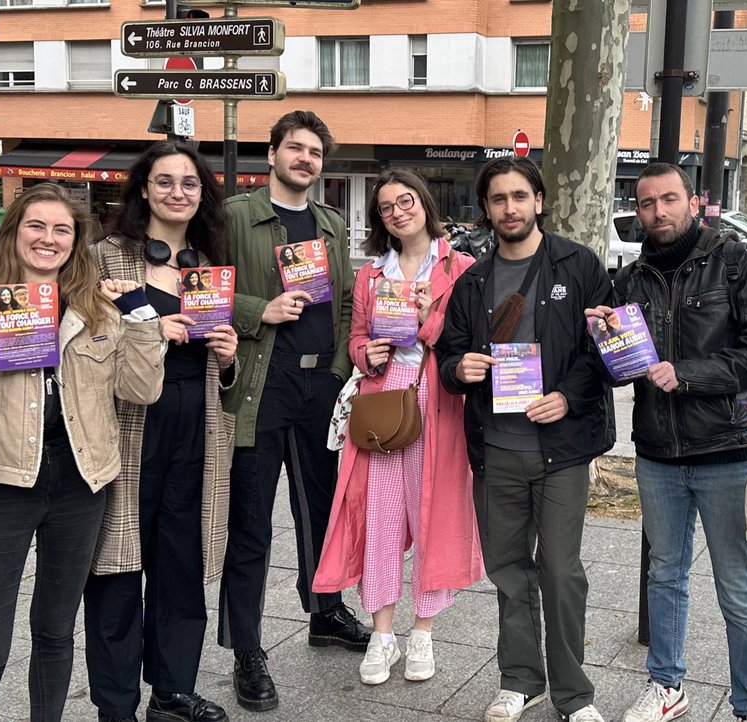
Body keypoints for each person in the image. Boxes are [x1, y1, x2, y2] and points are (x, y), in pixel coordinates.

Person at [0, 183, 166, 722]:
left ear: (75, 241)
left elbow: (142, 389)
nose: (48, 238)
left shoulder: (96, 311)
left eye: (62, 229)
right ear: (13, 232)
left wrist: (140, 314)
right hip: (0, 486)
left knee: (56, 634)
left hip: (80, 484)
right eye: (36, 225)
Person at [586, 162, 747, 722]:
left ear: (692, 202)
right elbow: (618, 372)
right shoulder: (630, 279)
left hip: (727, 449)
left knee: (737, 587)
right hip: (657, 454)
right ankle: (666, 686)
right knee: (664, 575)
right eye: (647, 203)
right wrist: (602, 337)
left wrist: (689, 374)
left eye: (669, 199)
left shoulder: (734, 261)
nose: (658, 212)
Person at [438, 156, 615, 722]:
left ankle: (573, 693)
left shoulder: (579, 264)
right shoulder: (473, 281)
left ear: (539, 201)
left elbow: (602, 350)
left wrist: (568, 396)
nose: (509, 208)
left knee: (561, 572)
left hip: (560, 448)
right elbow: (448, 353)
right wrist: (456, 370)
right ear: (486, 208)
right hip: (495, 450)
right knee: (509, 571)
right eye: (498, 199)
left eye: (520, 196)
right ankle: (519, 680)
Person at [218, 110, 369, 713]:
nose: (306, 159)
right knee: (251, 523)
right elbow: (199, 288)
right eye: (296, 148)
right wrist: (259, 309)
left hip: (321, 388)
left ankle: (326, 611)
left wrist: (339, 373)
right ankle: (247, 650)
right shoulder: (233, 215)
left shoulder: (331, 223)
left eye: (315, 153)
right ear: (273, 152)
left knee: (323, 513)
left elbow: (349, 303)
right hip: (259, 384)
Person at [84, 142, 239, 722]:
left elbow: (225, 364)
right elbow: (82, 348)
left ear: (203, 195)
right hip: (127, 427)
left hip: (195, 427)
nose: (179, 192)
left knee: (183, 562)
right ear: (143, 189)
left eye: (190, 183)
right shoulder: (103, 258)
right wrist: (147, 333)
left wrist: (226, 357)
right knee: (118, 569)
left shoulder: (208, 260)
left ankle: (172, 690)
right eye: (166, 181)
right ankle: (116, 705)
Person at [313, 168, 483, 686]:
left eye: (404, 200)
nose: (396, 211)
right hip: (383, 394)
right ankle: (382, 635)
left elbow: (462, 338)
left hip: (439, 396)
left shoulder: (461, 267)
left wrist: (429, 317)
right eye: (386, 207)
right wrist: (368, 353)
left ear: (424, 203)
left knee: (431, 509)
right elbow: (356, 338)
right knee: (381, 515)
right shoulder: (370, 275)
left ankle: (423, 633)